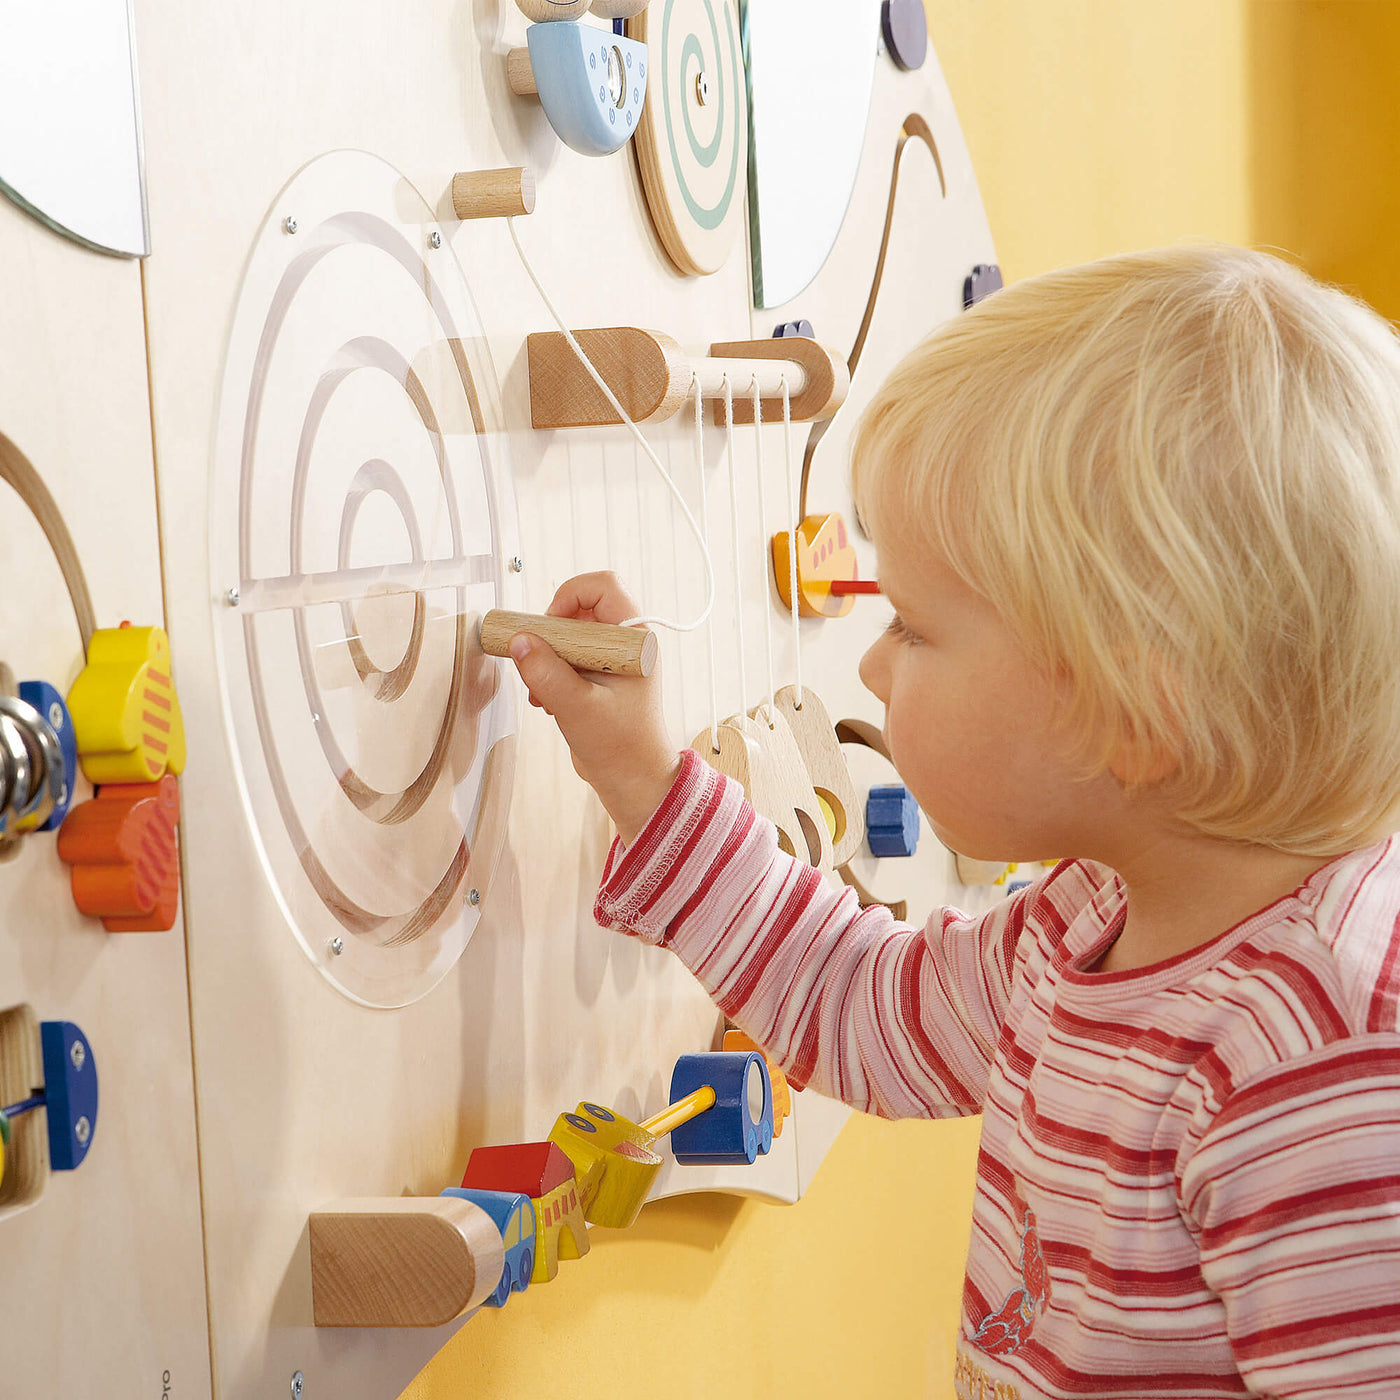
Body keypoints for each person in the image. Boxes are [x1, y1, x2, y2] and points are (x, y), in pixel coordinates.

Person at [507, 245, 1400, 1399]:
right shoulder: (1090, 916)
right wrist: (637, 770)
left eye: (915, 629)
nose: (871, 662)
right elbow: (851, 997)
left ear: (1127, 715)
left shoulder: (1317, 1063)